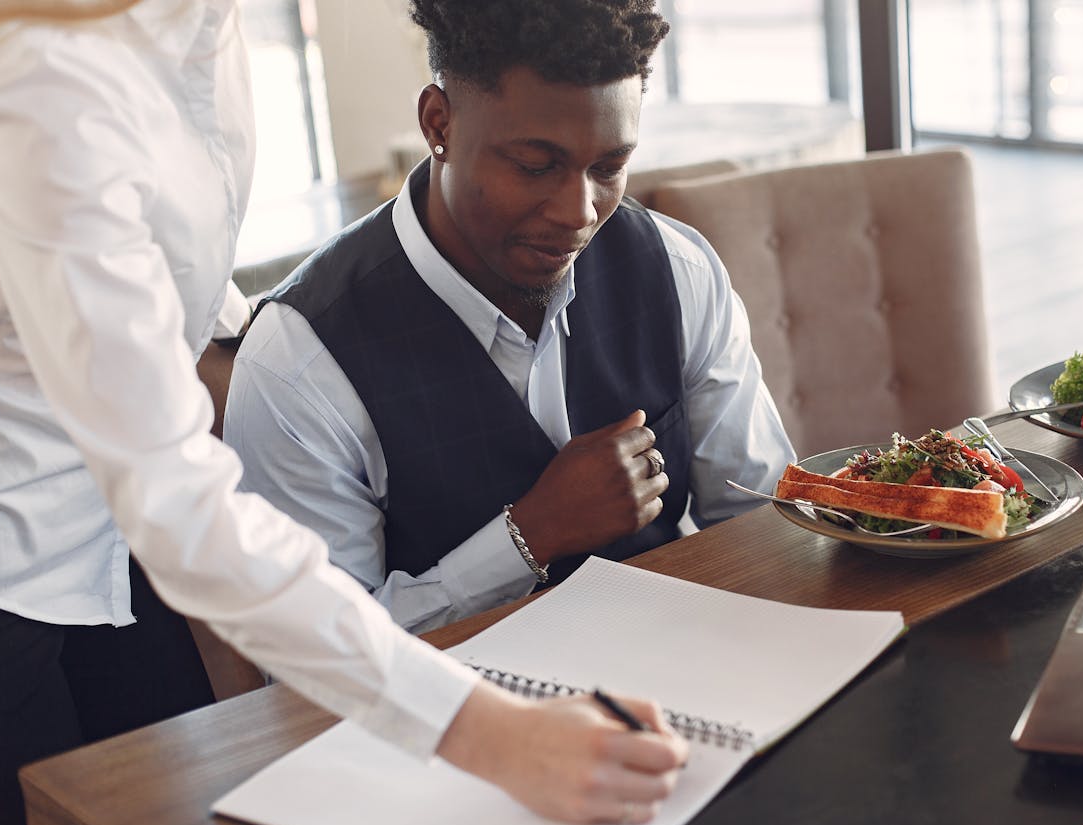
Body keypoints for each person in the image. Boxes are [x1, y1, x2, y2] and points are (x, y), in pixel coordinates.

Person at [0, 1, 687, 825]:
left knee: (166, 817)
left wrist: (238, 336)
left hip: (107, 534)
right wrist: (495, 734)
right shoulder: (46, 88)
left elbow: (147, 244)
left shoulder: (207, 29)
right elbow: (176, 505)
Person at [224, 0, 796, 634]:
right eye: (535, 166)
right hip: (446, 720)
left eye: (608, 168)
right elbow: (317, 658)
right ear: (438, 122)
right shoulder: (299, 360)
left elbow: (763, 522)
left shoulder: (678, 270)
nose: (579, 211)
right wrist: (528, 536)